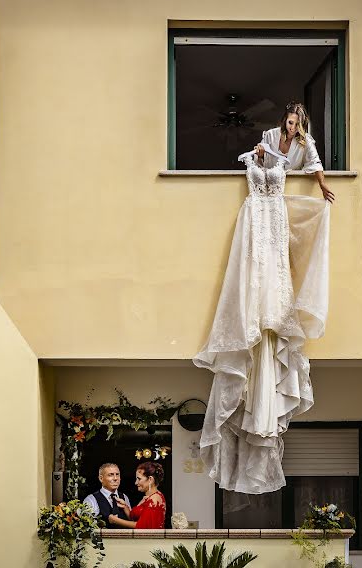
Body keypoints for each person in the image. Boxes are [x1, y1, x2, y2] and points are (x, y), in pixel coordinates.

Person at [195, 101, 333, 494]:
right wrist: (257, 154)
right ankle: (255, 312)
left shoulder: (304, 145)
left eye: (294, 123)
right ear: (282, 121)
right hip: (255, 216)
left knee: (274, 273)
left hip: (275, 215)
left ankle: (271, 311)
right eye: (287, 121)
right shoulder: (269, 140)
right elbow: (250, 159)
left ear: (301, 123)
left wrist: (321, 184)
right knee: (252, 271)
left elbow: (314, 164)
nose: (289, 127)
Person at [254, 101, 335, 203]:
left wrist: (322, 184)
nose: (292, 128)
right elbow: (257, 164)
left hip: (291, 190)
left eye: (297, 124)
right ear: (285, 120)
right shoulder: (271, 135)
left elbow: (315, 162)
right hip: (268, 190)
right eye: (290, 123)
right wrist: (260, 156)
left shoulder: (306, 140)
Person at [107, 461, 166, 529]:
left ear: (150, 479)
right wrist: (125, 507)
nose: (136, 483)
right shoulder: (148, 497)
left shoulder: (154, 499)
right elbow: (134, 518)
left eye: (139, 479)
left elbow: (142, 527)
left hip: (150, 539)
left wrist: (116, 521)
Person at [82, 463, 131, 528]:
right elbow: (86, 526)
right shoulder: (91, 499)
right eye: (110, 475)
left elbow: (132, 521)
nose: (115, 478)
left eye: (117, 474)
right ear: (101, 478)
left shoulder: (124, 497)